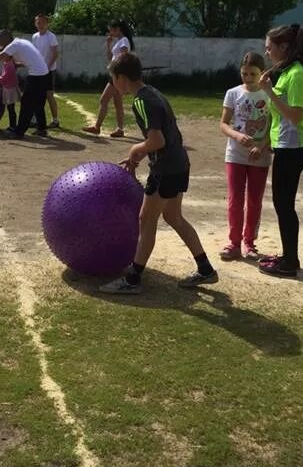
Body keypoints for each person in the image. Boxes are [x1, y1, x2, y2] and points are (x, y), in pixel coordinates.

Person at [99, 52, 218, 294]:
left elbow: (156, 140)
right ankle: (205, 269)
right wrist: (139, 155)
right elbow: (161, 139)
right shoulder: (152, 93)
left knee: (146, 220)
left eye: (113, 78)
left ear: (121, 78)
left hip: (166, 169)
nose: (112, 83)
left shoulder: (141, 101)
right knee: (174, 217)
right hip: (179, 164)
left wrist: (136, 149)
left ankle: (132, 280)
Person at [256, 24, 303, 278]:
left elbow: (295, 115)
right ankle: (288, 255)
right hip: (285, 146)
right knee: (282, 203)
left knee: (284, 204)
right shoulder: (287, 72)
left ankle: (291, 261)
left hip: (294, 148)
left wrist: (268, 91)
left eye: (270, 48)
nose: (267, 53)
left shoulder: (298, 75)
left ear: (285, 47)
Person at [218, 52, 272, 261]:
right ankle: (234, 242)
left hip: (260, 155)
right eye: (244, 74)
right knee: (235, 199)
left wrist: (262, 146)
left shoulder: (269, 94)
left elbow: (274, 126)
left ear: (262, 73)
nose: (248, 78)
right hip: (235, 154)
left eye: (253, 74)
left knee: (255, 200)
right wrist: (237, 135)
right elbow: (223, 123)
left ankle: (249, 242)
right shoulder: (233, 93)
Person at [0, 29, 50, 139]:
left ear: (6, 39)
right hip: (45, 73)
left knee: (26, 103)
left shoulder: (13, 45)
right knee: (38, 102)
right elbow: (27, 60)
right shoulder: (23, 42)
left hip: (36, 75)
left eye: (0, 41)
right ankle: (42, 129)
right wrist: (17, 65)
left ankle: (19, 132)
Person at [82, 20, 134, 138]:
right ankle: (120, 129)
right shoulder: (119, 42)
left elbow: (124, 58)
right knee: (118, 103)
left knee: (103, 100)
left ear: (117, 29)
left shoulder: (124, 41)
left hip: (117, 75)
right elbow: (111, 58)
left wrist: (117, 73)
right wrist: (108, 44)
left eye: (111, 29)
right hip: (116, 75)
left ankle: (97, 127)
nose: (109, 32)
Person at [31, 13, 60, 128]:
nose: (40, 24)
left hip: (49, 70)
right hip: (37, 71)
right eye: (38, 22)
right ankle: (34, 119)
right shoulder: (35, 37)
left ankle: (55, 120)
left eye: (42, 22)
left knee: (49, 95)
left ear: (47, 24)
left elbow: (55, 54)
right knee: (35, 95)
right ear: (35, 24)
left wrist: (47, 68)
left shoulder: (51, 36)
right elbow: (34, 53)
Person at [0, 53, 22, 133]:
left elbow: (5, 77)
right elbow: (4, 76)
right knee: (10, 108)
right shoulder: (7, 63)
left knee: (11, 108)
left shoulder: (9, 64)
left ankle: (13, 126)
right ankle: (12, 126)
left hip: (10, 89)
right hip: (8, 88)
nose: (0, 56)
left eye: (2, 55)